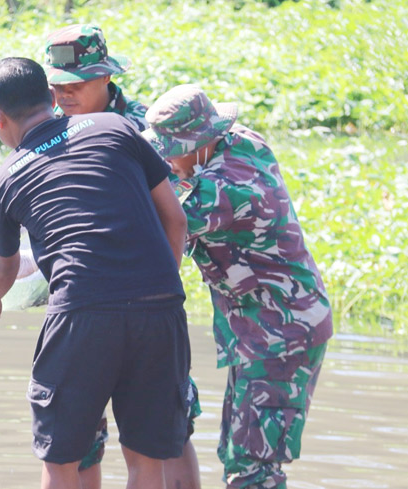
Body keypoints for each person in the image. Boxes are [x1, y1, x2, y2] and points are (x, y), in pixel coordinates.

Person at [0, 57, 191, 489]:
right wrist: (156, 290)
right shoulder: (115, 127)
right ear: (52, 98)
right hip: (161, 309)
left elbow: (3, 265)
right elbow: (176, 220)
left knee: (61, 462)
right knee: (148, 461)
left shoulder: (6, 178)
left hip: (82, 314)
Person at [143, 84, 333, 489]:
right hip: (260, 328)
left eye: (172, 151)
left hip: (282, 334)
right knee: (239, 453)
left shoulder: (222, 191)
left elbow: (162, 219)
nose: (168, 161)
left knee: (252, 469)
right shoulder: (238, 142)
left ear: (199, 145)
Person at [42, 23, 201, 489]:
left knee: (167, 435)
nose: (66, 95)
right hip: (82, 309)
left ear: (107, 77)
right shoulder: (47, 131)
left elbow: (175, 215)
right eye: (58, 86)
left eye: (77, 85)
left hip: (149, 307)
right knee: (79, 440)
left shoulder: (145, 129)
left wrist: (154, 294)